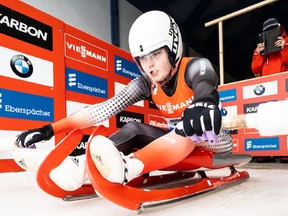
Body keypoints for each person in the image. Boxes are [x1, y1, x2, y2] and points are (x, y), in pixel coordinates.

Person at [13, 11, 232, 189]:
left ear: (173, 48)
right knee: (134, 127)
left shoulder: (195, 66)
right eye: (143, 59)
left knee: (187, 127)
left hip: (214, 144)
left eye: (156, 54)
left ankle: (128, 167)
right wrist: (49, 129)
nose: (150, 65)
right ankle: (79, 165)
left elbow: (206, 83)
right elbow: (103, 110)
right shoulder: (146, 83)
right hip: (174, 144)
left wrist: (203, 102)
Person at [251, 18, 288, 163]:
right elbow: (254, 69)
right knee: (267, 119)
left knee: (284, 118)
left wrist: (285, 46)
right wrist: (259, 53)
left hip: (283, 88)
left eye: (273, 30)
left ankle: (285, 150)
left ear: (279, 29)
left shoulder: (287, 41)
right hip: (266, 89)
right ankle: (266, 151)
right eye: (267, 31)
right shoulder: (260, 47)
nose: (270, 34)